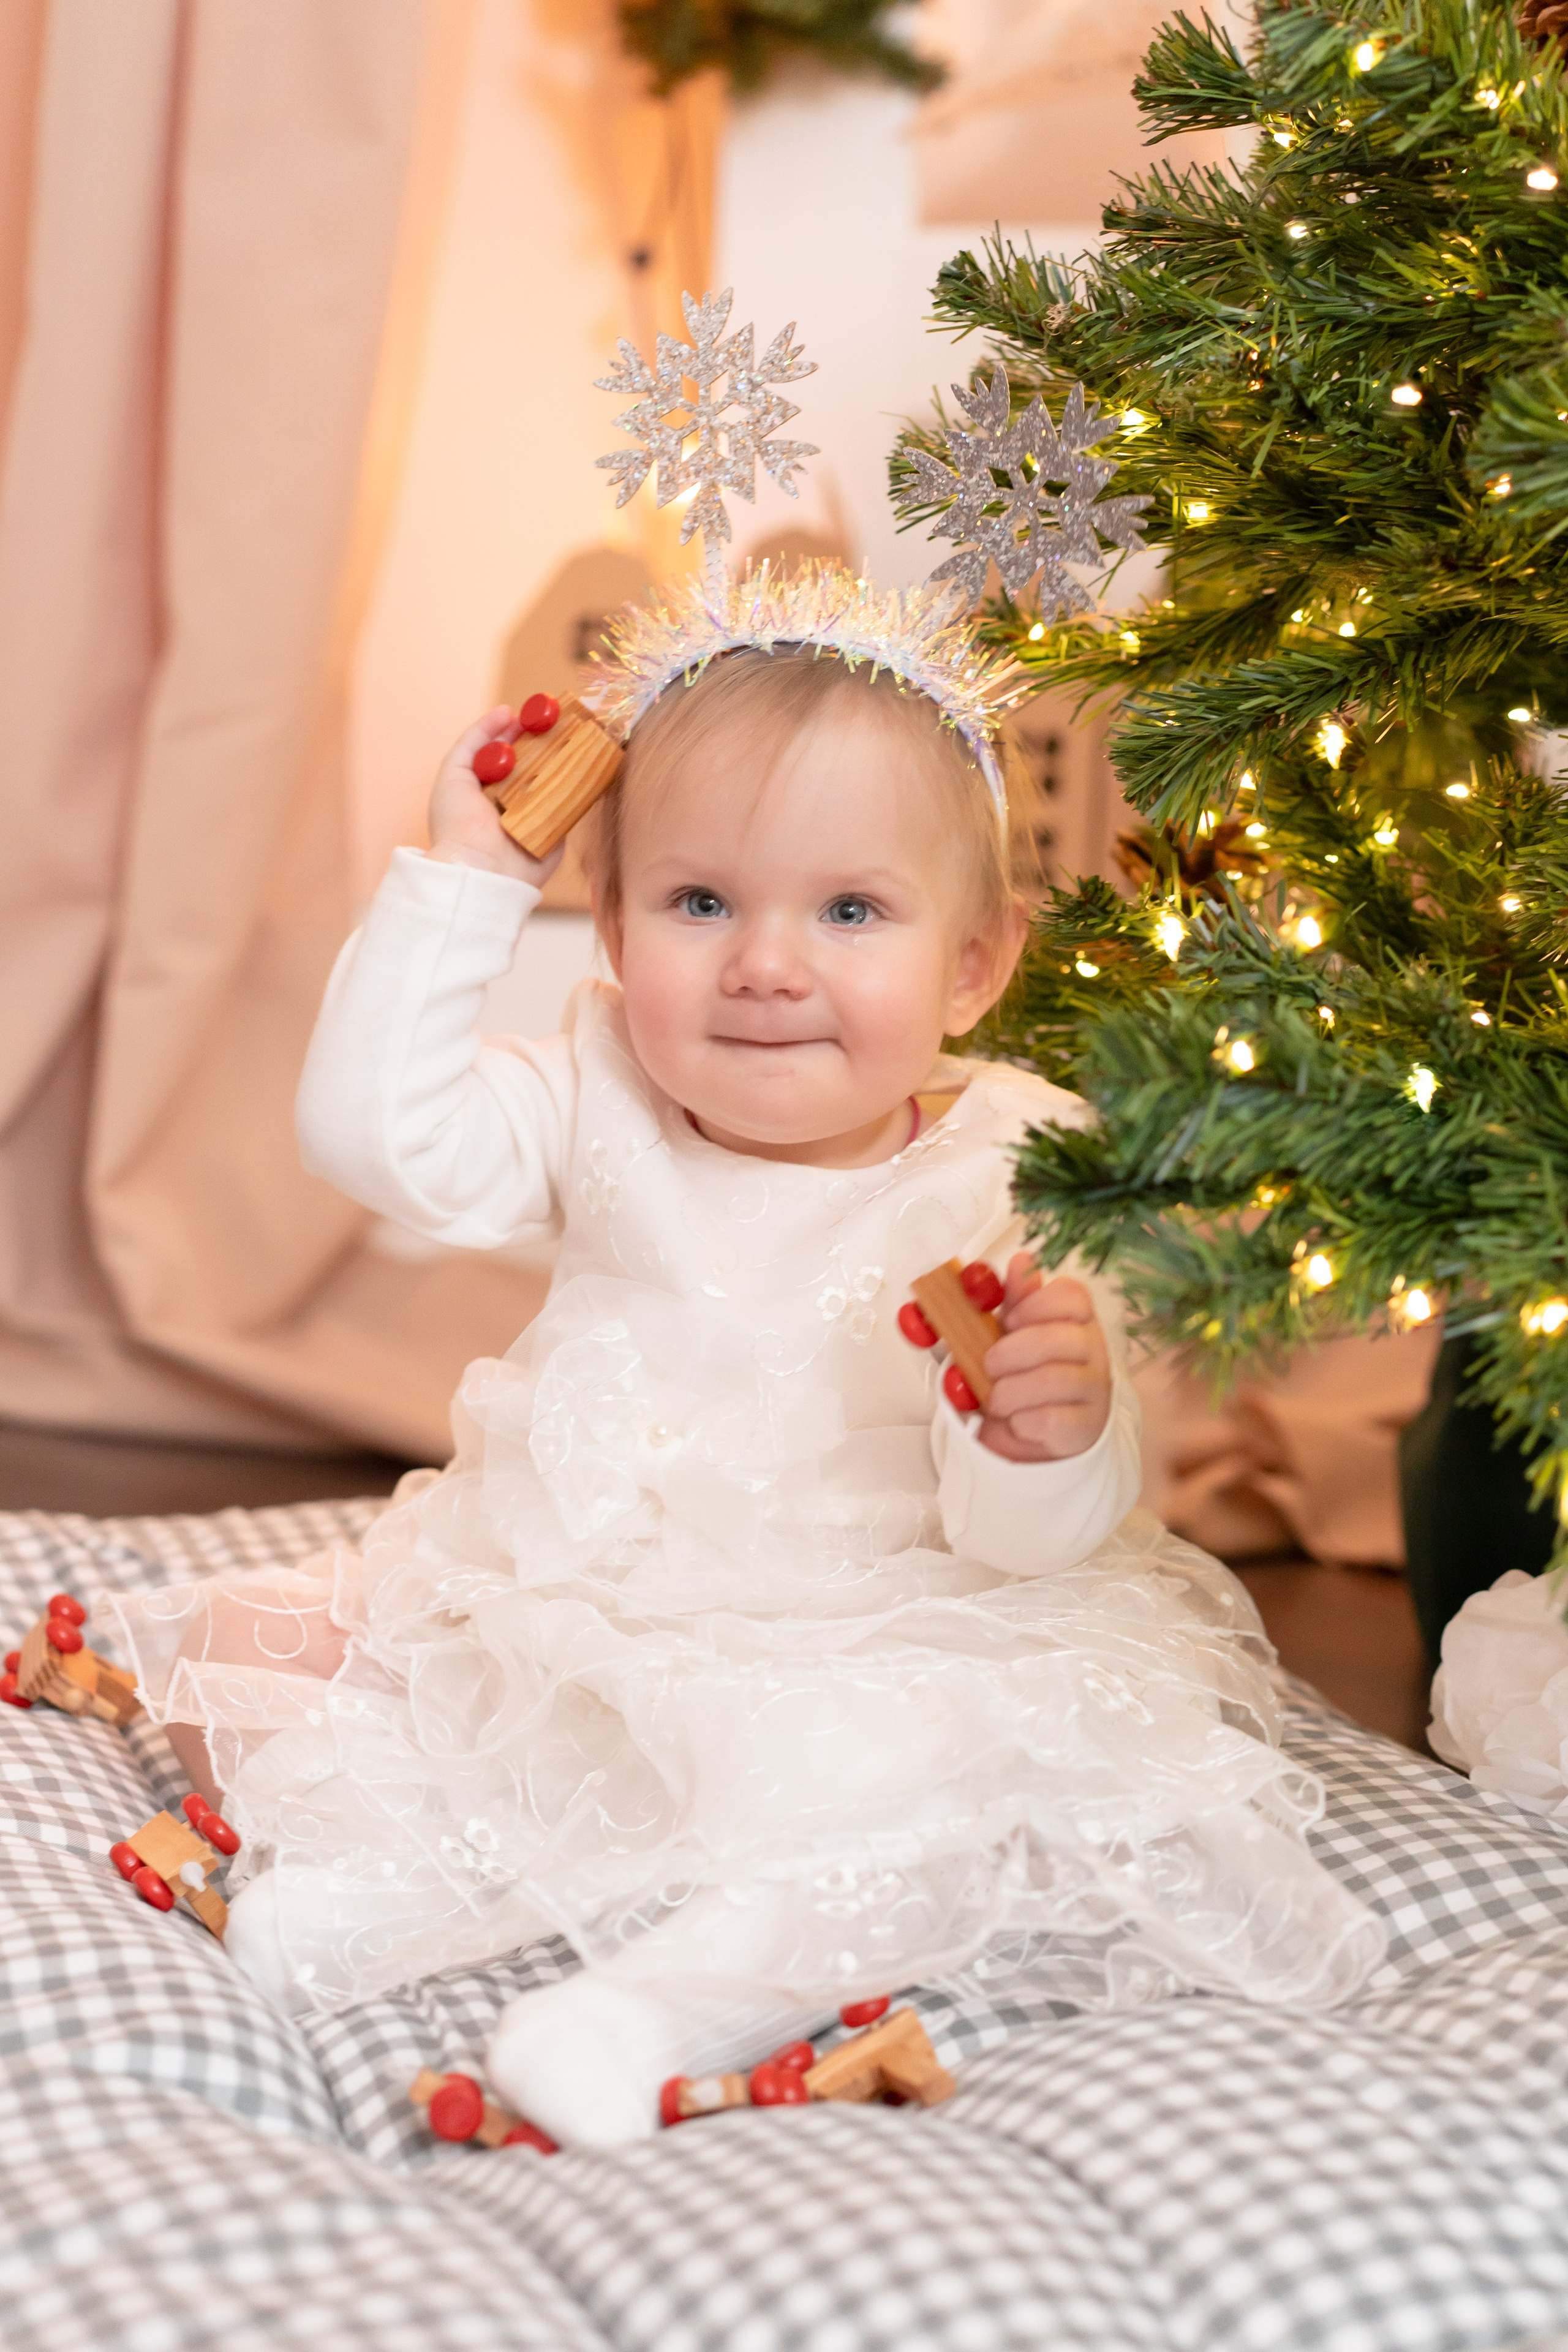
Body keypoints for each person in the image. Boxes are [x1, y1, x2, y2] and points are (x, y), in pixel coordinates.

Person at [109, 638, 1382, 2148]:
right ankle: (444, 1876)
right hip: (584, 1599)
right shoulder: (598, 1090)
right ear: (612, 926)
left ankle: (655, 2007)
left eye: (850, 911)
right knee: (227, 1640)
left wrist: (1053, 1433)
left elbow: (1036, 1542)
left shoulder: (1020, 1165)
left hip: (878, 1621)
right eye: (699, 903)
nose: (766, 964)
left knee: (938, 1776)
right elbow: (365, 1136)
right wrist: (462, 876)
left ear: (973, 965)